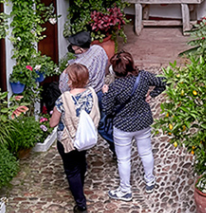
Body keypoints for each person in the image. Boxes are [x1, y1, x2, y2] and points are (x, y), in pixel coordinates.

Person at [102, 52, 166, 200]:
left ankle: (125, 190)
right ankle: (150, 180)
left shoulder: (115, 87)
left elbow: (107, 109)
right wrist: (152, 94)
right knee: (146, 152)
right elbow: (163, 81)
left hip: (122, 126)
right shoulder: (143, 77)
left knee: (123, 159)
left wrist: (105, 94)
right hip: (143, 122)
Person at [50, 63, 100, 213]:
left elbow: (53, 123)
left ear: (71, 80)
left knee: (71, 170)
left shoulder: (64, 99)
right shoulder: (92, 93)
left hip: (68, 140)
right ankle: (79, 184)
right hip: (85, 138)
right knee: (81, 161)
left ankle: (81, 204)